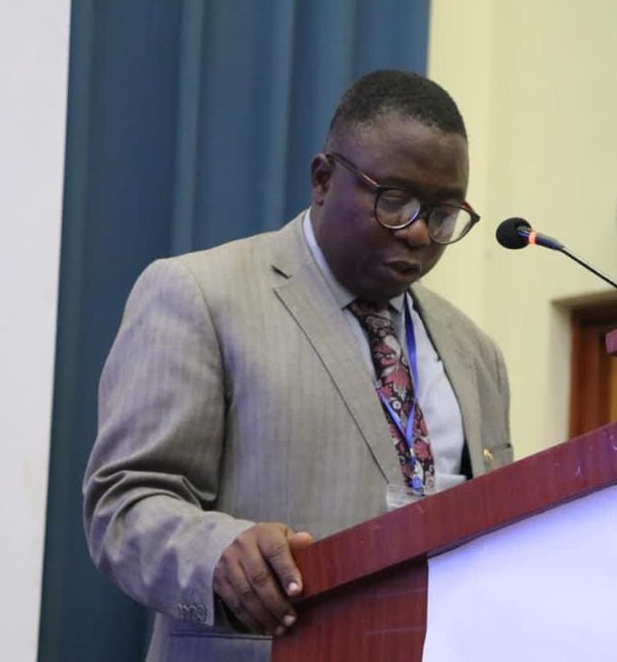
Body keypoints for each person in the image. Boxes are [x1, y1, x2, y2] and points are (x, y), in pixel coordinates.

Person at [83, 70, 512, 661]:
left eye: (443, 213)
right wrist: (218, 552)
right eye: (394, 201)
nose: (418, 232)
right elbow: (125, 506)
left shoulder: (477, 354)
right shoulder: (200, 295)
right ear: (322, 179)